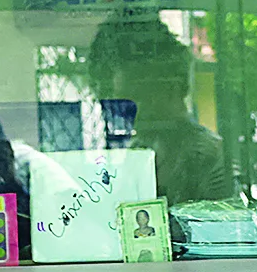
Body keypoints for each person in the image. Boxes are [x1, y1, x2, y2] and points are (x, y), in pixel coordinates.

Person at [86, 15, 236, 208]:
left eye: (133, 98)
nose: (123, 114)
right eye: (117, 103)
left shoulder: (207, 158)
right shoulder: (140, 150)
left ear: (169, 87)